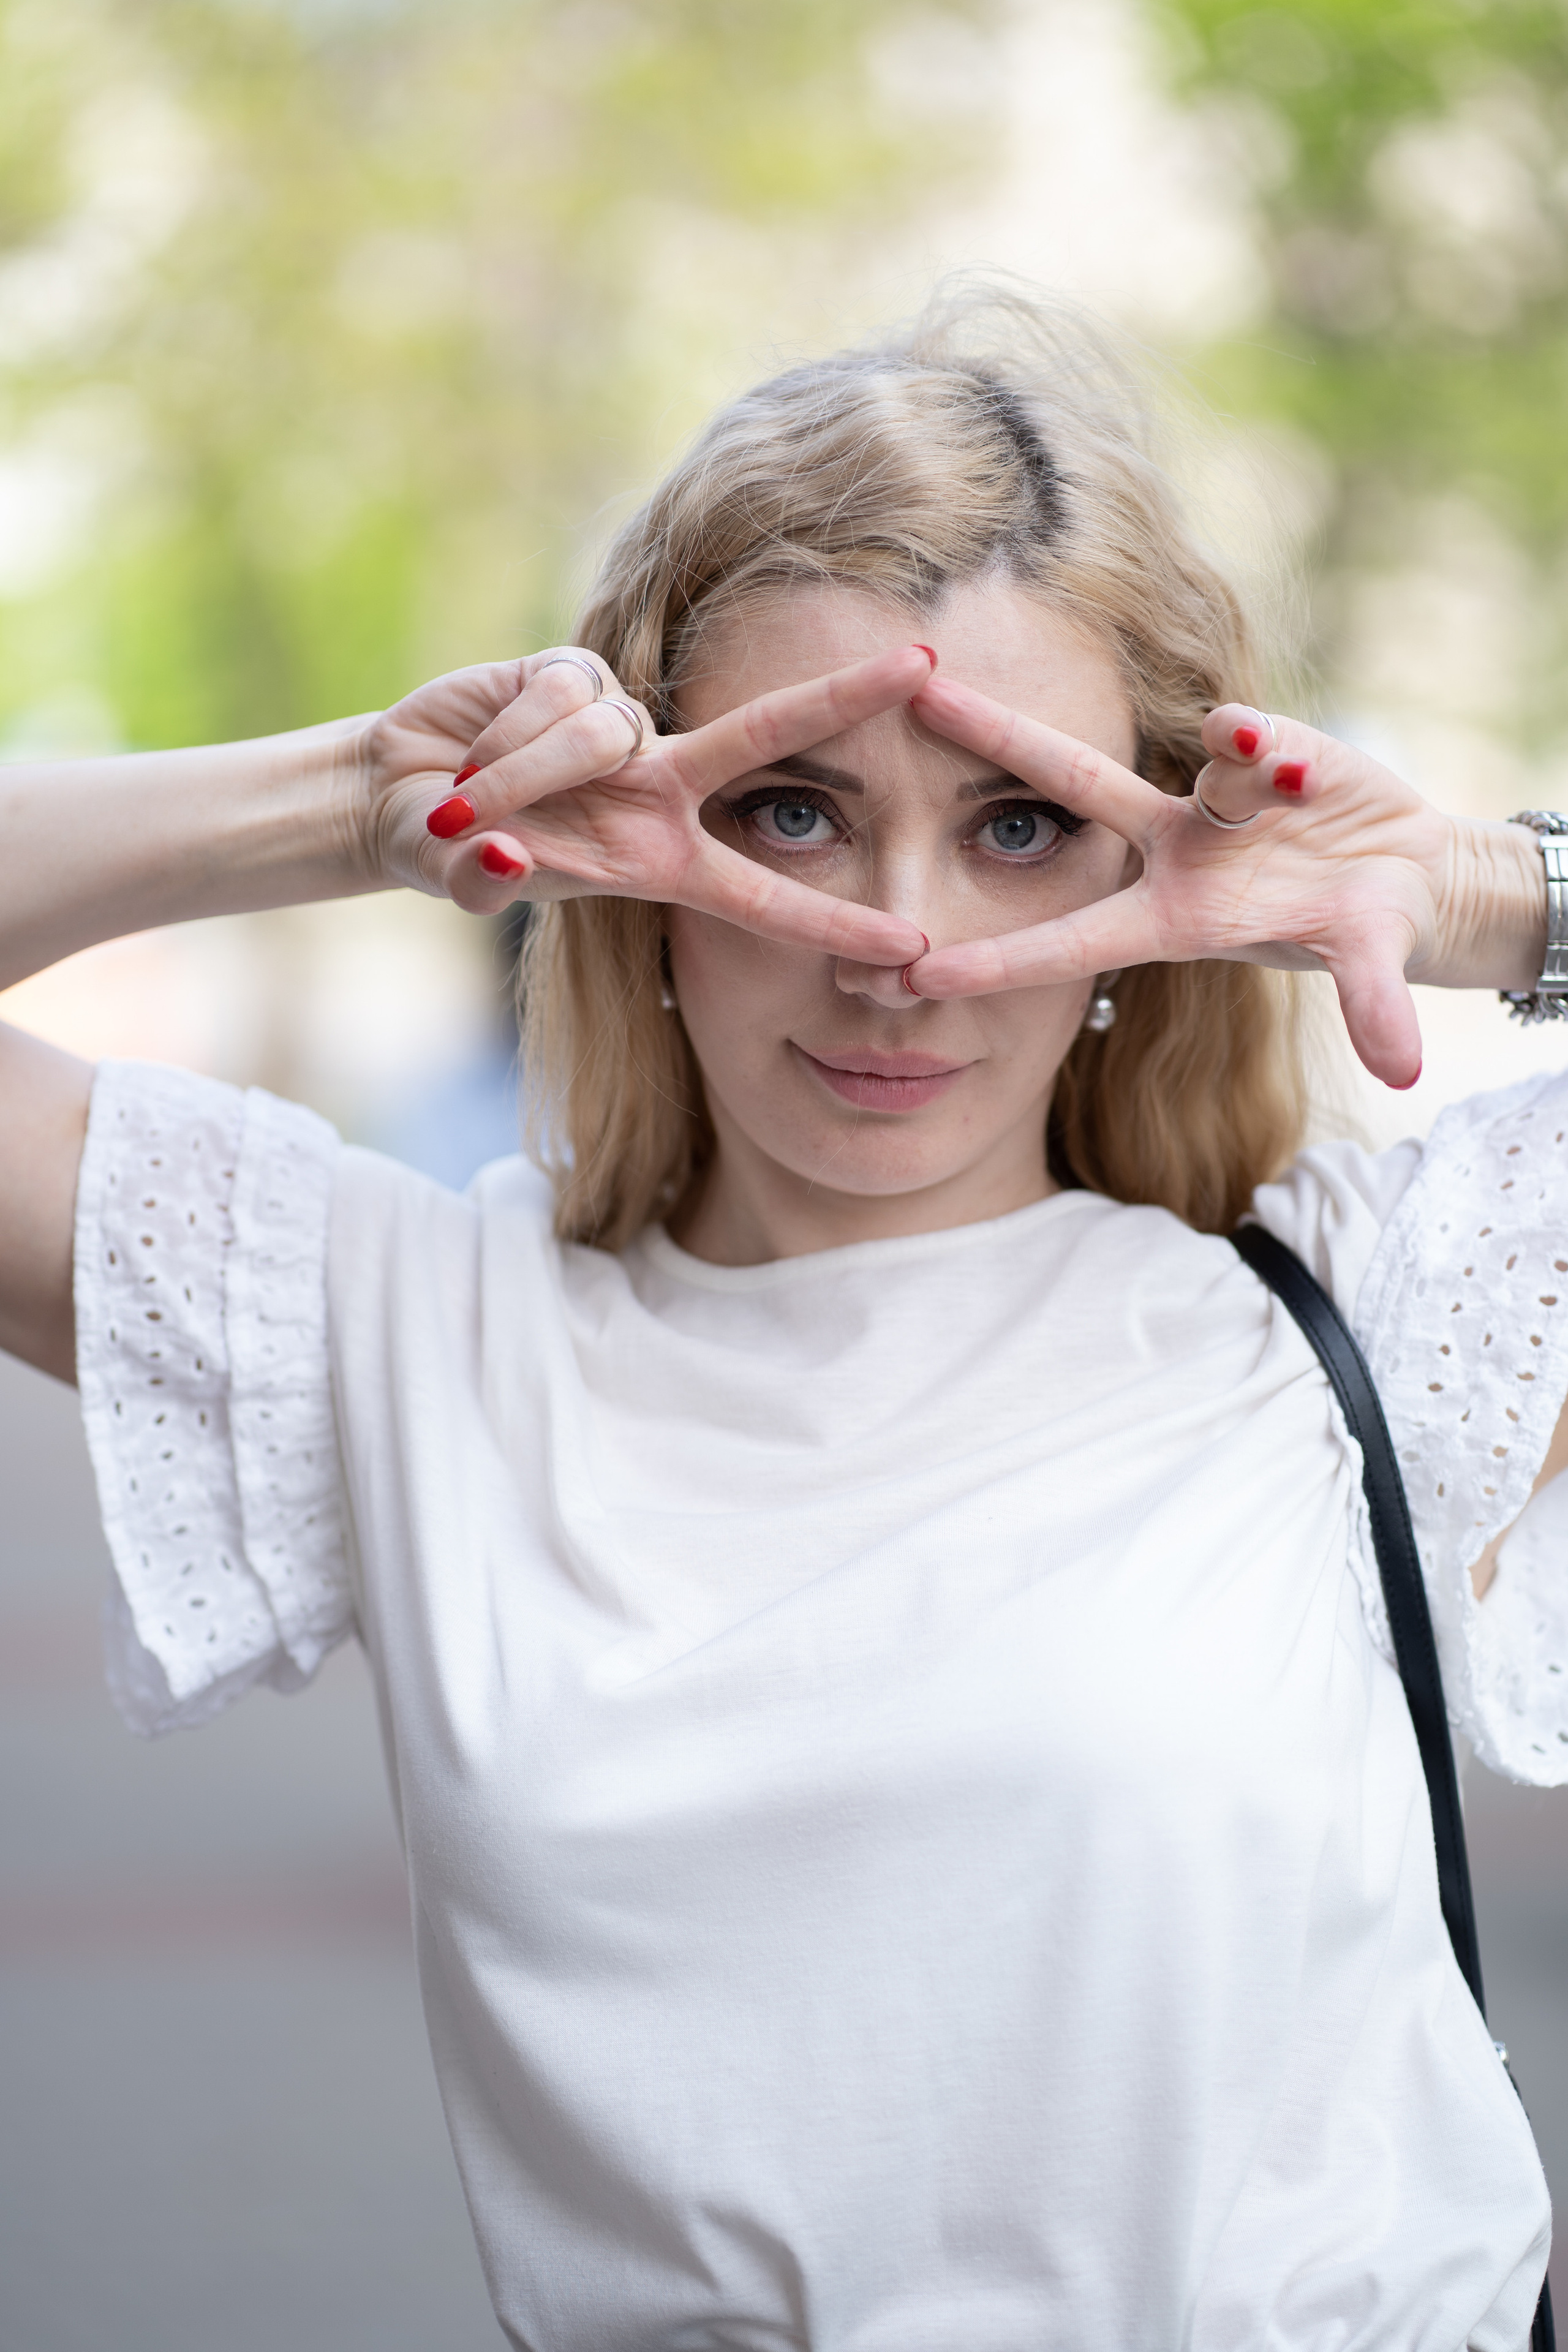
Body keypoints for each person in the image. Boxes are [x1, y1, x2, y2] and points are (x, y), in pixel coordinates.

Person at [1, 283, 1564, 2350]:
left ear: (1158, 871)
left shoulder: (1372, 1301)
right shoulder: (401, 1331)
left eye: (1021, 829)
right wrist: (371, 801)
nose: (899, 948)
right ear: (635, 854)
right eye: (792, 810)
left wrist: (1486, 892)